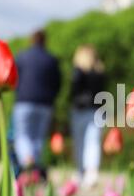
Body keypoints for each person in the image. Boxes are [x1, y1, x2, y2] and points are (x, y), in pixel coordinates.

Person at [13, 30, 60, 179]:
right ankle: (36, 166)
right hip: (45, 103)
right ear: (45, 41)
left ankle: (28, 160)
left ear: (31, 40)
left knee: (22, 134)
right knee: (38, 137)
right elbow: (58, 82)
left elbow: (13, 78)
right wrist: (51, 97)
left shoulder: (22, 57)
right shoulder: (51, 59)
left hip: (24, 101)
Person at [70, 45, 105, 188]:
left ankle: (81, 172)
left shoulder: (78, 72)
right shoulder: (100, 72)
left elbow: (73, 90)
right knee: (93, 142)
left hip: (81, 110)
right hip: (97, 110)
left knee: (81, 143)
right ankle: (92, 173)